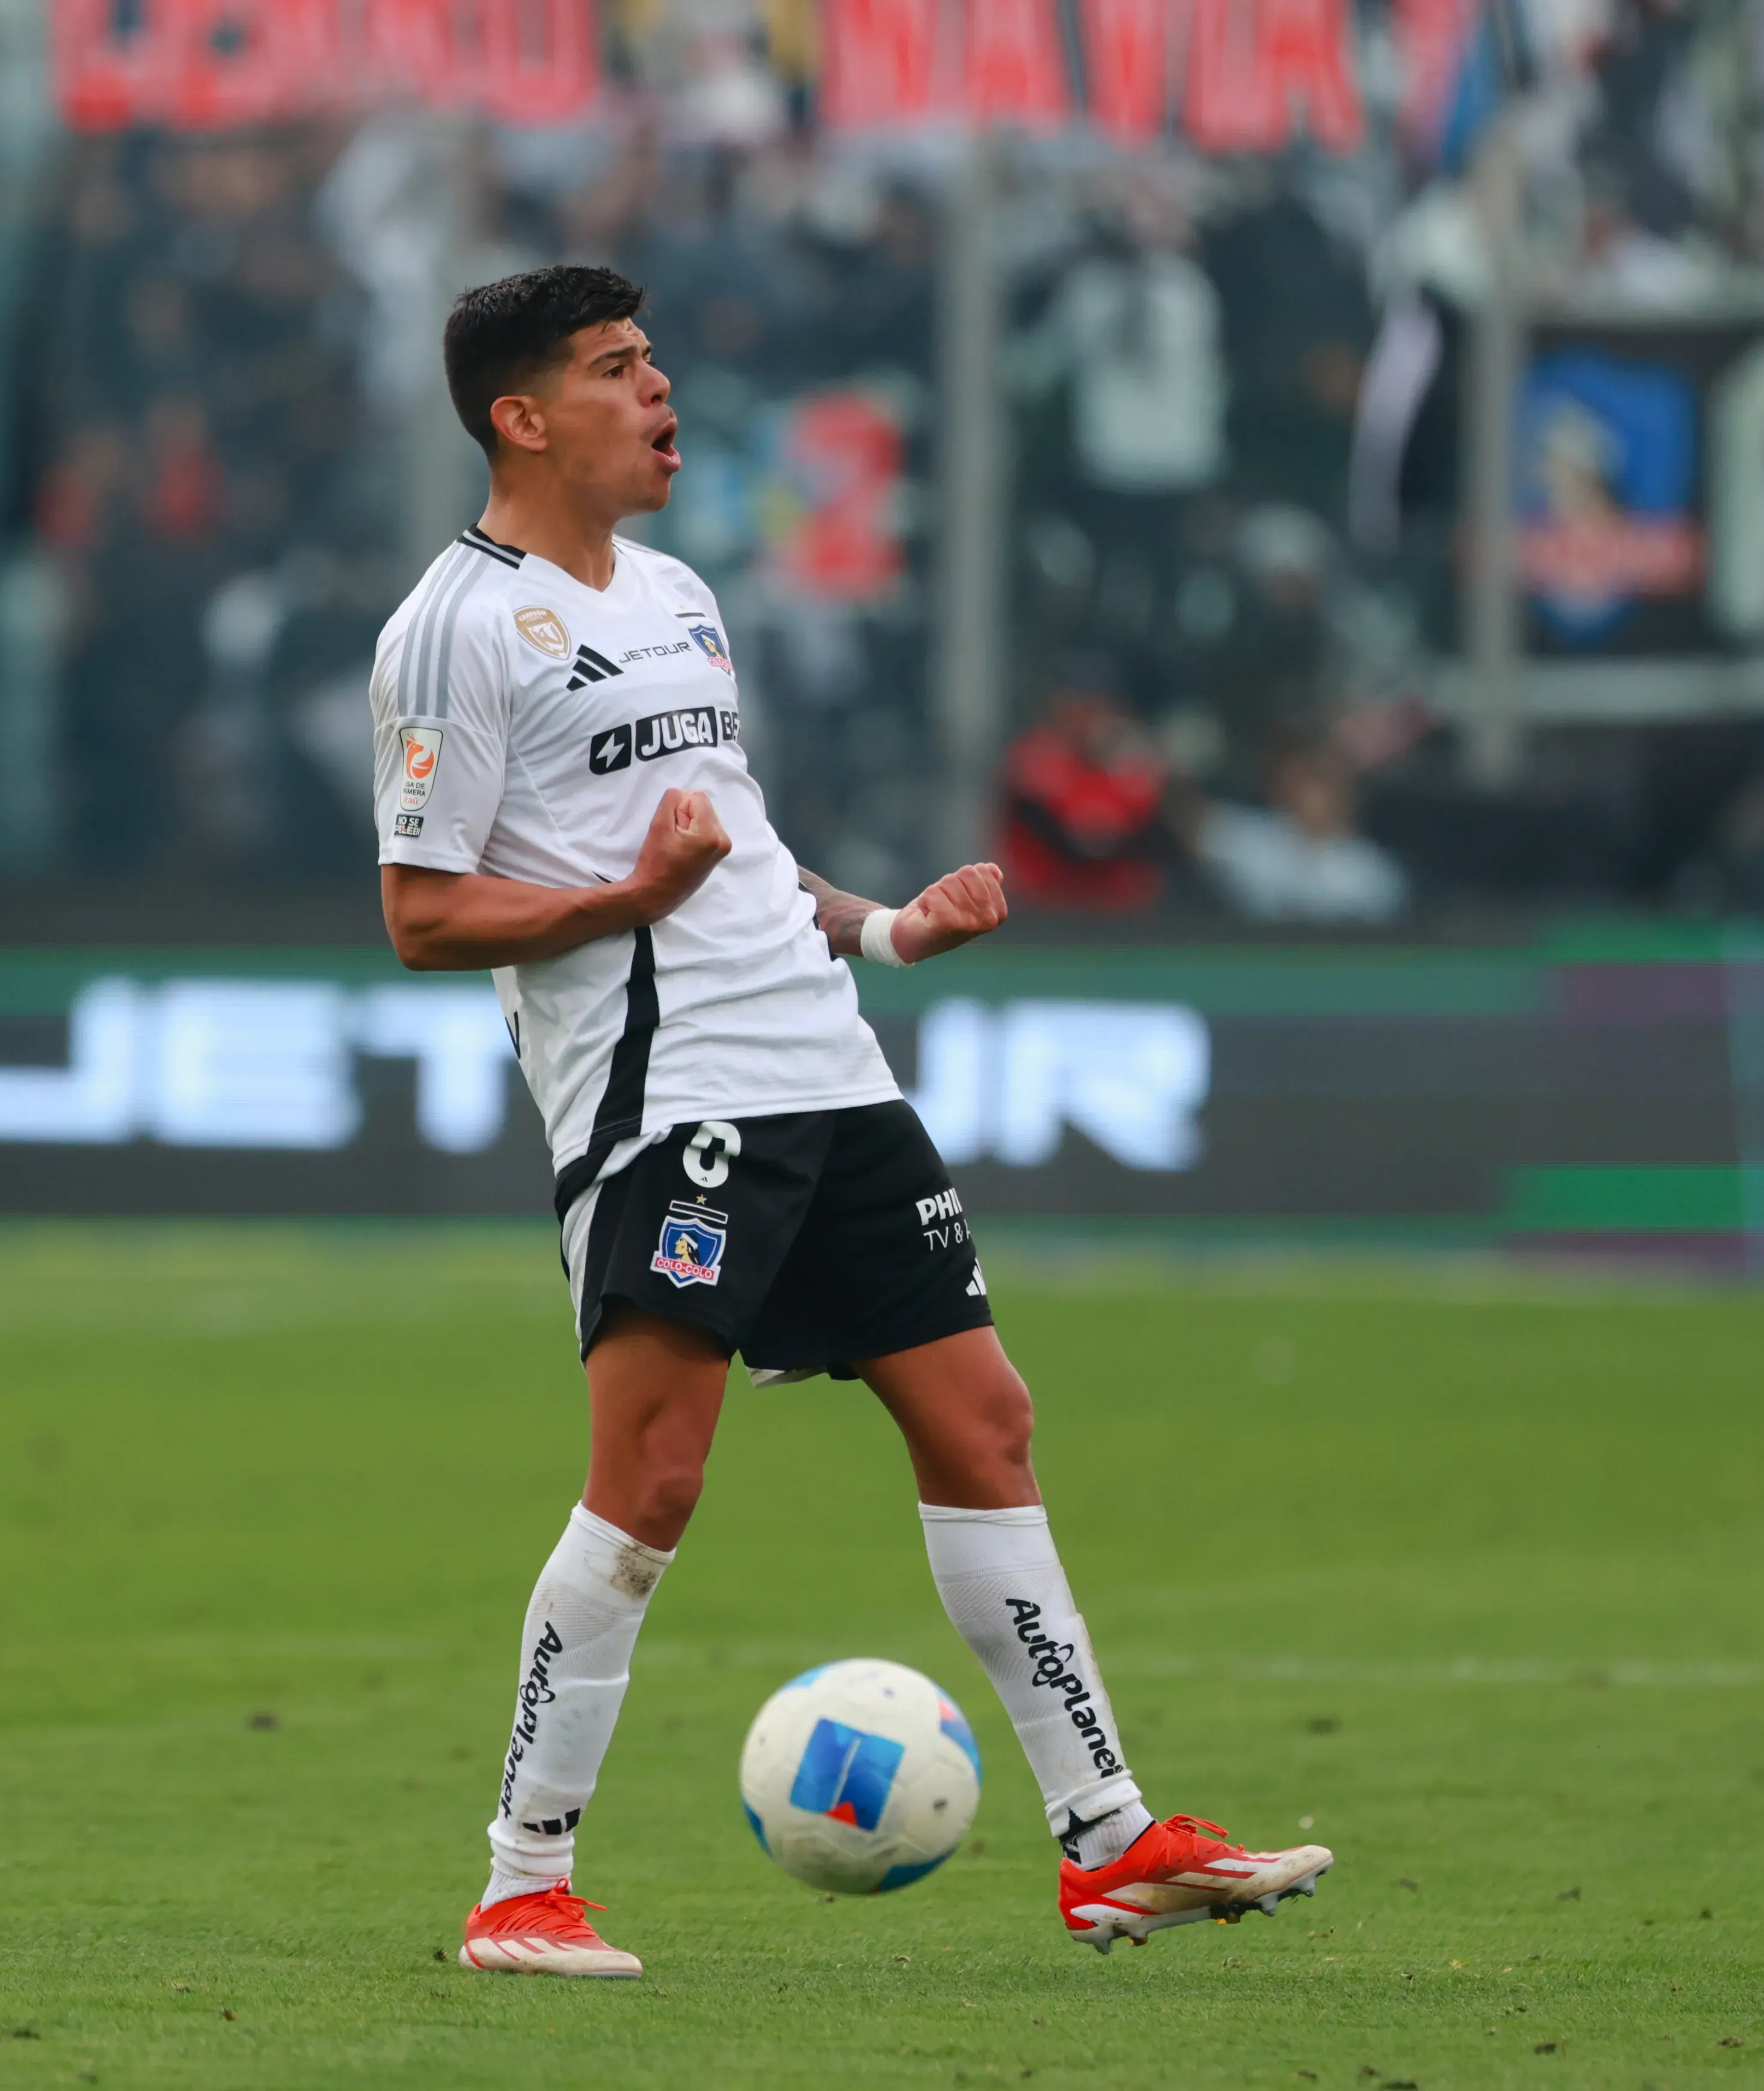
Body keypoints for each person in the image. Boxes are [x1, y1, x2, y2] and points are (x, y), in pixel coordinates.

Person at [374, 266, 1332, 1978]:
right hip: (671, 1097)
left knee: (988, 1419)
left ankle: (1110, 1840)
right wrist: (623, 895)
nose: (661, 391)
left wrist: (886, 928)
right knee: (652, 1478)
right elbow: (425, 914)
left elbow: (732, 847)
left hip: (831, 1065)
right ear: (522, 418)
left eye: (656, 359)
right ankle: (523, 1879)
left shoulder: (674, 592)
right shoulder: (453, 624)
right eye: (616, 369)